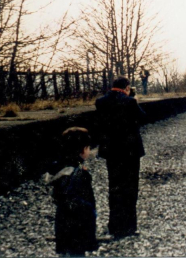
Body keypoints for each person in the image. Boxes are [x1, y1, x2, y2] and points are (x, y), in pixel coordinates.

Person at [95, 76, 146, 238]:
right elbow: (143, 118)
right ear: (127, 87)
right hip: (130, 152)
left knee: (114, 187)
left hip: (111, 152)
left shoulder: (100, 102)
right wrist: (134, 100)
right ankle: (129, 227)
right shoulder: (130, 102)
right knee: (130, 188)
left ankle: (114, 225)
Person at [46, 127, 98, 256]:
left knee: (66, 250)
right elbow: (86, 199)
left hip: (63, 218)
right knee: (77, 251)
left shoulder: (59, 168)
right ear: (82, 150)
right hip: (79, 220)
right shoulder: (80, 173)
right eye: (88, 148)